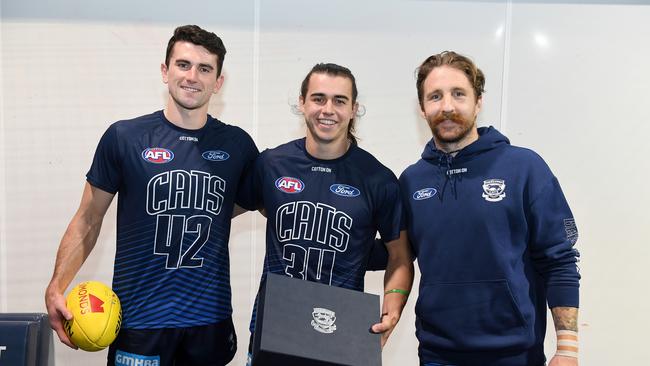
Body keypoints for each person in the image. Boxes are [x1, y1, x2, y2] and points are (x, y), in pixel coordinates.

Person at [44, 25, 259, 365]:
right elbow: (88, 218)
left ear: (218, 82)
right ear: (165, 70)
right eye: (183, 64)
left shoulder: (238, 146)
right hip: (140, 321)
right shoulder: (125, 137)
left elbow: (280, 209)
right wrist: (57, 286)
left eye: (205, 69)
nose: (192, 76)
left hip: (209, 323)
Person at [400, 51, 580, 366]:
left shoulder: (524, 167)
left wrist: (567, 349)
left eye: (459, 94)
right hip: (437, 354)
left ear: (478, 101)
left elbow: (559, 259)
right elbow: (397, 254)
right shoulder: (412, 180)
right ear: (422, 108)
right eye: (435, 96)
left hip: (514, 354)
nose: (447, 106)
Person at [243, 63, 414, 362]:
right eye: (319, 98)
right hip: (275, 326)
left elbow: (400, 256)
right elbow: (227, 211)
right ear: (302, 103)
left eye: (339, 100)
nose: (328, 109)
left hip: (342, 331)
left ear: (353, 109)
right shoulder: (271, 164)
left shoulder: (378, 179)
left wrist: (394, 306)